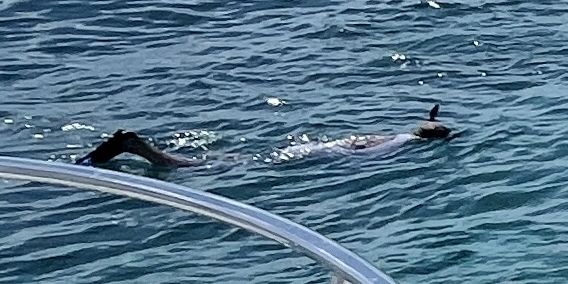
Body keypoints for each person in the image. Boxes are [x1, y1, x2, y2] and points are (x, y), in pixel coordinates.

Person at [84, 107, 456, 172]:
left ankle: (145, 151)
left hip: (316, 147)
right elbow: (365, 158)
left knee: (236, 161)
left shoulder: (396, 133)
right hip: (318, 156)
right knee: (200, 171)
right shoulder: (402, 144)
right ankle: (143, 150)